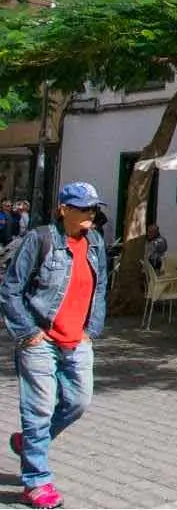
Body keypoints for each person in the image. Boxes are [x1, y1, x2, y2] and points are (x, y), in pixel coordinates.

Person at [0, 182, 108, 509]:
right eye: (83, 208)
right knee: (39, 410)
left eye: (93, 208)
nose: (91, 213)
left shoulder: (95, 243)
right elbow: (10, 290)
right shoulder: (40, 239)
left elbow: (100, 286)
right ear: (64, 209)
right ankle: (37, 481)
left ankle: (30, 441)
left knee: (78, 401)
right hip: (40, 338)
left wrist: (91, 329)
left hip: (77, 339)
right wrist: (29, 332)